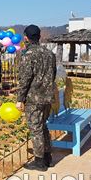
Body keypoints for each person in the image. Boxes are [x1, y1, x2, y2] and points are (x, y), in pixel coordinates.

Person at [16, 24, 57, 171]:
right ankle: (48, 157)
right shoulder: (49, 54)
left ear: (26, 38)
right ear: (39, 37)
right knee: (43, 126)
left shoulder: (28, 55)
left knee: (36, 129)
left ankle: (39, 161)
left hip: (34, 98)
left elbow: (25, 79)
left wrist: (19, 99)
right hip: (48, 96)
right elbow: (53, 74)